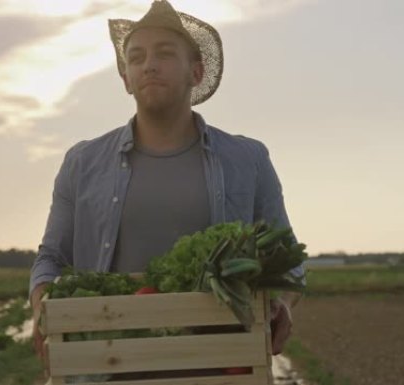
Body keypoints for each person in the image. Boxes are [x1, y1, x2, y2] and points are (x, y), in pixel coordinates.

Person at [29, 0, 305, 376]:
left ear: (196, 71)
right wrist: (45, 310)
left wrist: (283, 303)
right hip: (105, 369)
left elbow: (289, 257)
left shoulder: (247, 158)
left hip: (220, 368)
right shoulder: (83, 163)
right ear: (126, 78)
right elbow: (50, 258)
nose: (150, 65)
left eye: (164, 53)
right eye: (137, 57)